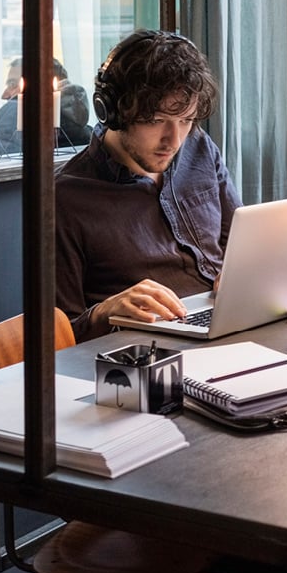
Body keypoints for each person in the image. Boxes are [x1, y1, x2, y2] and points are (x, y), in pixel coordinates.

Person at [55, 29, 240, 342]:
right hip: (146, 355)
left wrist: (241, 274)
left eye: (186, 120)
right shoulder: (65, 198)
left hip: (229, 323)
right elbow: (57, 337)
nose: (174, 140)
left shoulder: (199, 147)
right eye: (156, 121)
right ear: (113, 111)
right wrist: (104, 311)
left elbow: (239, 239)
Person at [0, 58, 93, 154]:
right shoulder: (87, 134)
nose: (4, 95)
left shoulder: (14, 111)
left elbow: (3, 160)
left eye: (12, 84)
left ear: (38, 85)